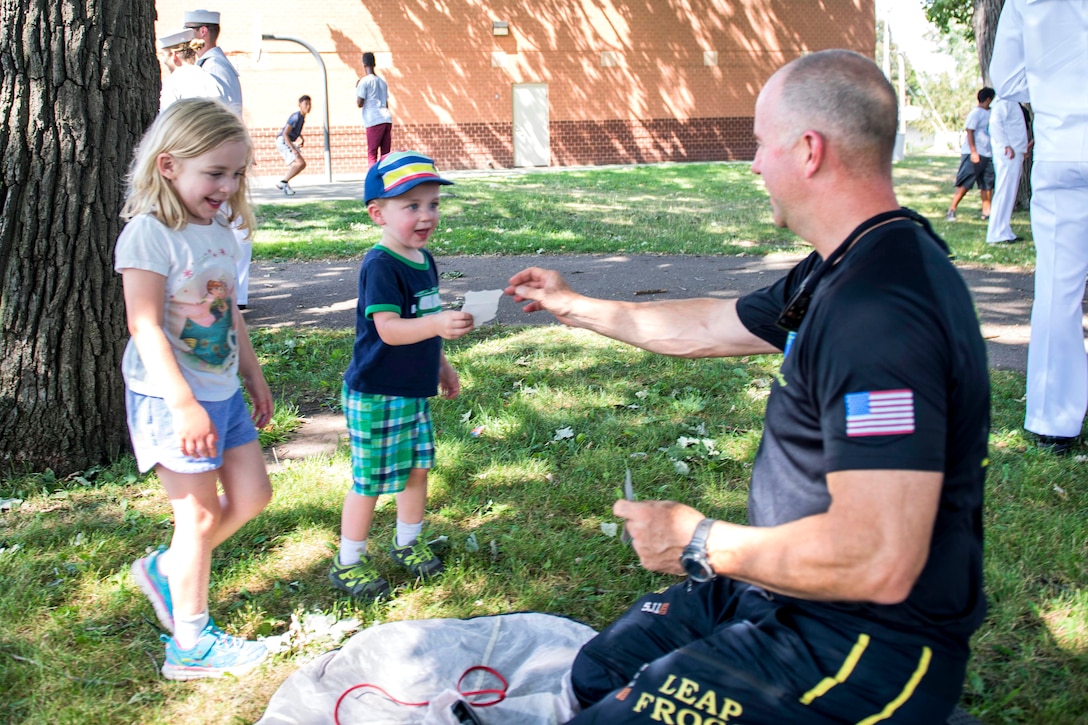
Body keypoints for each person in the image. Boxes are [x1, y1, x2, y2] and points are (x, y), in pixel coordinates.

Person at [507, 49, 989, 723]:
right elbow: (706, 325)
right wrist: (572, 305)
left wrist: (700, 540)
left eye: (762, 145)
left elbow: (879, 558)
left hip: (856, 644)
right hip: (781, 586)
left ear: (810, 150)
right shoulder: (838, 269)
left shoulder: (880, 313)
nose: (755, 164)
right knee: (599, 671)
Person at [117, 98, 273, 680]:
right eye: (215, 172)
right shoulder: (149, 234)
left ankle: (167, 568)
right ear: (168, 165)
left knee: (254, 495)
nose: (228, 186)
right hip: (170, 398)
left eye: (236, 174)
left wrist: (252, 373)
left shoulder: (221, 232)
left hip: (221, 390)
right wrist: (182, 402)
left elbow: (227, 310)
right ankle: (189, 645)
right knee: (199, 518)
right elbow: (145, 324)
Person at [328, 151, 474, 599]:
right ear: (378, 214)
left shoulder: (422, 258)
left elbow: (425, 321)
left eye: (433, 204)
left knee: (416, 469)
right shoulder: (381, 265)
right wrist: (435, 326)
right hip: (375, 392)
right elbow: (389, 330)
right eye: (411, 206)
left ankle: (407, 542)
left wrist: (442, 365)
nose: (426, 215)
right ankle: (348, 559)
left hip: (411, 391)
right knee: (370, 479)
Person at [991, 0, 1088, 456]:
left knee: (1057, 289)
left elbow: (1006, 80)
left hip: (1062, 146)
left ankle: (1054, 421)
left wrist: (1055, 89)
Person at [183, 8, 252, 309]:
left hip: (217, 155)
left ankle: (233, 294)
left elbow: (215, 116)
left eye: (189, 31)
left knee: (227, 225)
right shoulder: (214, 65)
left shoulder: (213, 68)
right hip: (219, 155)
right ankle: (231, 292)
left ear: (202, 33)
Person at [985, 96, 1032, 244]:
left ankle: (1003, 229)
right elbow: (995, 123)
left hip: (1015, 151)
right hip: (1008, 153)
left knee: (1009, 193)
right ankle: (997, 233)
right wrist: (1005, 144)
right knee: (1004, 192)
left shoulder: (1011, 101)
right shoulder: (1004, 101)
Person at [945, 87, 995, 222]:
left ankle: (987, 211)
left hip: (988, 153)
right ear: (988, 99)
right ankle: (952, 209)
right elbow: (970, 132)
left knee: (987, 184)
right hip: (974, 153)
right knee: (965, 183)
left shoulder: (990, 113)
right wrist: (973, 151)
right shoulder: (976, 113)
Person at [157, 29, 221, 112]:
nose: (162, 59)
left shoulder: (173, 83)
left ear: (174, 55)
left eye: (163, 54)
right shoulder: (210, 79)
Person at [356, 52, 393, 167]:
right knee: (385, 155)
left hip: (374, 120)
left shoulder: (364, 81)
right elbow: (386, 104)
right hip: (386, 119)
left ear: (364, 64)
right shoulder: (382, 82)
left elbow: (359, 103)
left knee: (372, 154)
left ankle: (373, 182)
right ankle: (386, 180)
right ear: (374, 64)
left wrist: (357, 88)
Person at [274, 94, 311, 196]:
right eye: (306, 104)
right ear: (299, 105)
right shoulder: (295, 117)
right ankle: (283, 183)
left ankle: (284, 183)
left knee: (302, 164)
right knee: (299, 163)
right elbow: (285, 133)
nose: (308, 107)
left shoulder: (302, 118)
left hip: (288, 140)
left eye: (309, 104)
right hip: (283, 141)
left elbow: (295, 130)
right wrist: (293, 149)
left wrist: (301, 138)